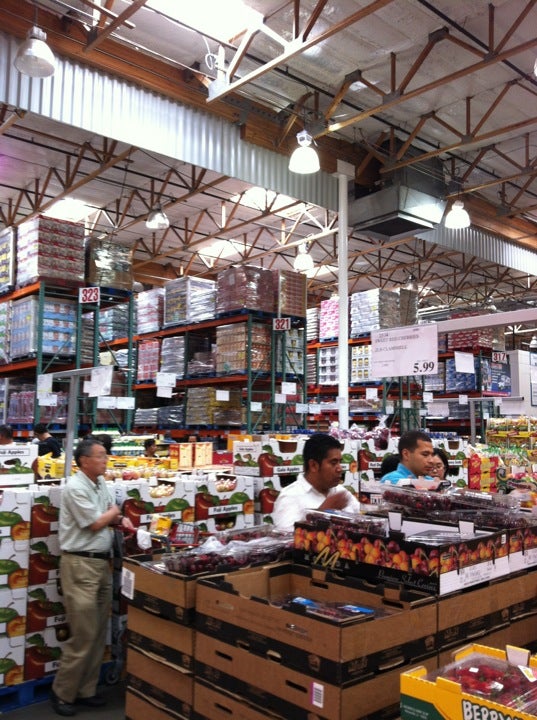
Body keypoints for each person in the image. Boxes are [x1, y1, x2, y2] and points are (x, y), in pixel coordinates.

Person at [50, 438, 135, 717]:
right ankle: (62, 692)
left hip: (100, 564)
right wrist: (114, 513)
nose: (105, 459)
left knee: (98, 632)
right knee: (84, 633)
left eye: (105, 455)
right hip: (80, 565)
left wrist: (120, 520)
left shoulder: (99, 483)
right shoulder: (75, 487)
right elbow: (95, 522)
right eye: (100, 455)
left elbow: (107, 515)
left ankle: (85, 690)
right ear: (84, 461)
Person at [272, 433, 361, 532]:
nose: (340, 469)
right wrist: (324, 512)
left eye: (340, 462)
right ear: (313, 465)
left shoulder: (341, 492)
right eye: (333, 463)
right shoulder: (290, 497)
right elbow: (287, 538)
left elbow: (362, 519)